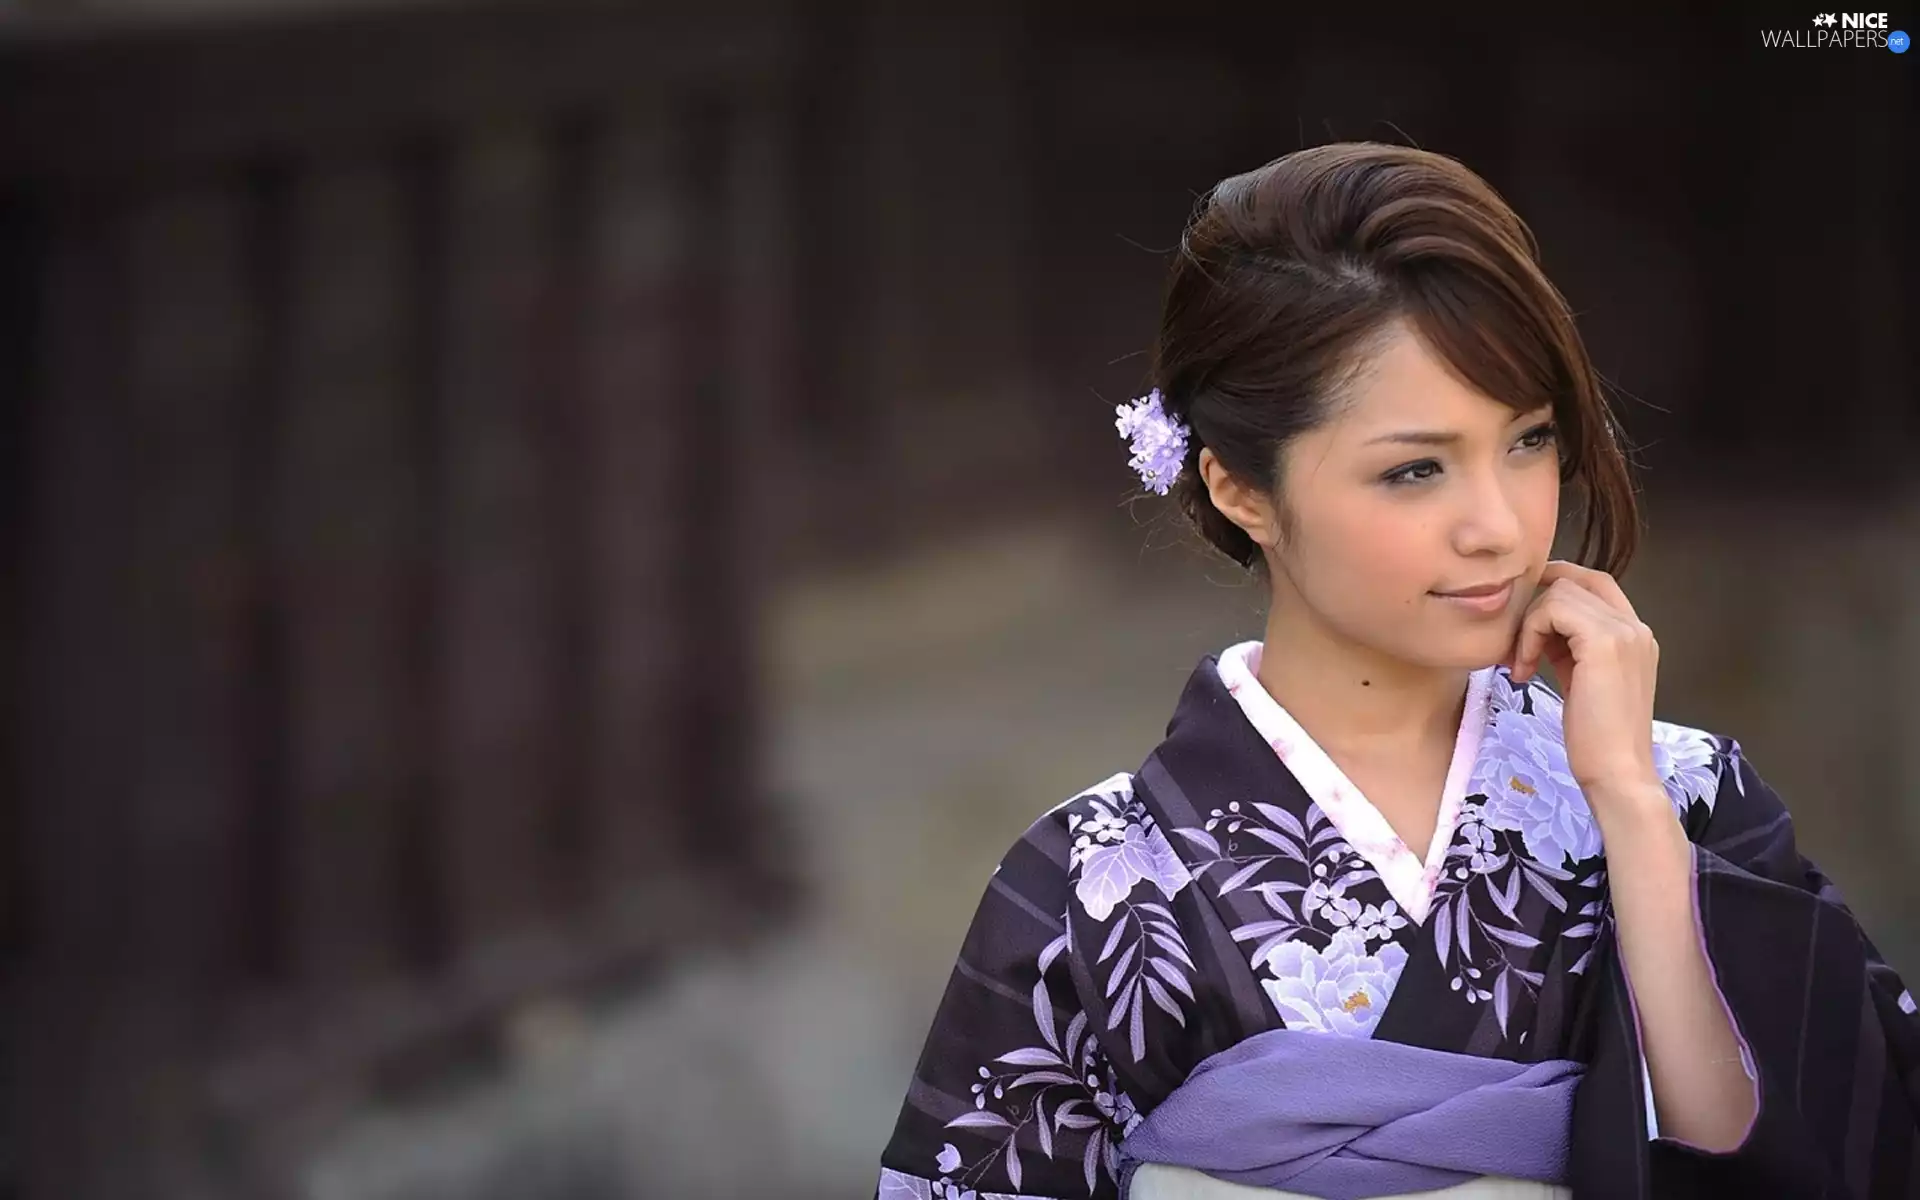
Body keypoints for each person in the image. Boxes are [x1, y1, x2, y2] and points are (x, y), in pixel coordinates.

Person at [872, 143, 1920, 1199]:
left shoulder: (1688, 796)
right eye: (1415, 469)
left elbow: (1838, 1161)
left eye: (1530, 441)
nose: (1500, 526)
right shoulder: (1092, 888)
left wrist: (1633, 816)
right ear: (1240, 488)